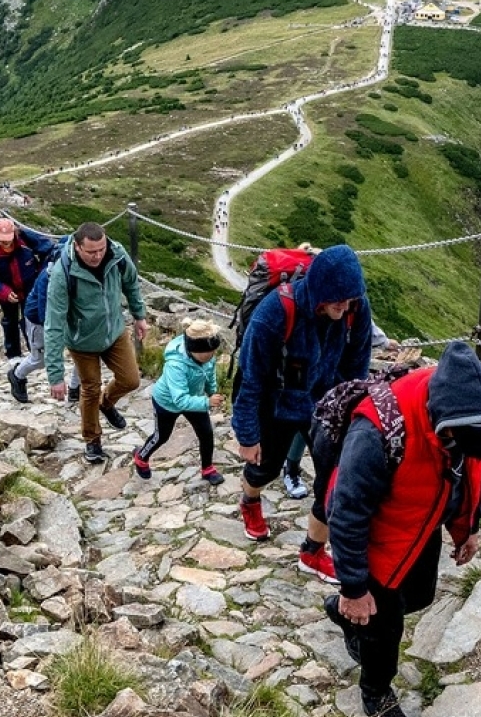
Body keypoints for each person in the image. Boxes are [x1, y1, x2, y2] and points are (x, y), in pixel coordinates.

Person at [323, 341, 481, 717]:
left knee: (419, 597)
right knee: (385, 627)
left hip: (419, 523)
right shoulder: (378, 430)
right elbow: (346, 512)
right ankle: (376, 692)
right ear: (446, 425)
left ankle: (346, 615)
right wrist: (354, 586)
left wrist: (470, 527)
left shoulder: (470, 418)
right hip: (379, 537)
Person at [230, 244, 372, 568]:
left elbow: (357, 365)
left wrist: (350, 410)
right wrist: (248, 435)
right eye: (339, 299)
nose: (346, 306)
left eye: (351, 298)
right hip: (276, 402)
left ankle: (312, 551)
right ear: (321, 289)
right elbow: (251, 376)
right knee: (264, 467)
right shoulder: (275, 311)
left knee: (333, 476)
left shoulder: (356, 308)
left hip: (326, 403)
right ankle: (250, 499)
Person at [42, 222, 147, 464]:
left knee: (131, 380)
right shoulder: (63, 273)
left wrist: (139, 315)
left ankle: (106, 403)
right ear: (77, 246)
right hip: (82, 340)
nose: (98, 255)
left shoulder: (117, 255)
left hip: (114, 333)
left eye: (101, 249)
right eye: (91, 251)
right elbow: (54, 323)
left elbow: (131, 283)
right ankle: (92, 439)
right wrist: (55, 375)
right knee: (90, 388)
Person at [133, 319, 227, 485]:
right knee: (162, 436)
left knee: (206, 433)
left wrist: (212, 392)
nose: (210, 358)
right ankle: (141, 456)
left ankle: (207, 468)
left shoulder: (208, 357)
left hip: (195, 398)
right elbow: (180, 399)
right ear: (193, 351)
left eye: (212, 354)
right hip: (167, 402)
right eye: (206, 355)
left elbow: (209, 375)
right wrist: (206, 402)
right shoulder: (176, 364)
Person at [0, 219, 60, 394]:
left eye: (8, 238)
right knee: (9, 320)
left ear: (15, 233)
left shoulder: (26, 239)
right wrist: (1, 290)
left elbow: (49, 250)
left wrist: (42, 277)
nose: (6, 242)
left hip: (30, 286)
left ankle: (34, 351)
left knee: (30, 319)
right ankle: (14, 355)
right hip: (6, 290)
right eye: (1, 239)